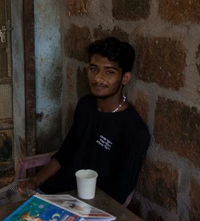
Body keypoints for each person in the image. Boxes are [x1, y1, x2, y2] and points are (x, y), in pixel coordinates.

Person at [18, 37, 150, 205]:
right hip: (52, 193)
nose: (98, 79)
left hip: (87, 207)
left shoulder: (134, 131)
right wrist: (35, 181)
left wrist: (76, 211)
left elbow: (119, 193)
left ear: (125, 78)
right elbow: (65, 153)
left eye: (109, 72)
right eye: (94, 69)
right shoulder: (85, 106)